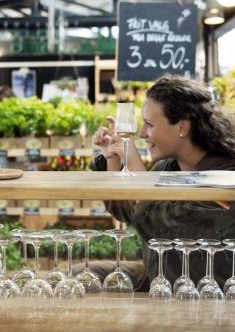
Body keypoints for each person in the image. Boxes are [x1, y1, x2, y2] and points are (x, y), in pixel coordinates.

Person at [78, 74, 235, 291]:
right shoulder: (169, 167)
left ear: (182, 127)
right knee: (81, 274)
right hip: (159, 274)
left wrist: (136, 167)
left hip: (203, 286)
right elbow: (128, 211)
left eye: (149, 124)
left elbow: (164, 228)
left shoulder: (225, 177)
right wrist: (113, 158)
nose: (142, 133)